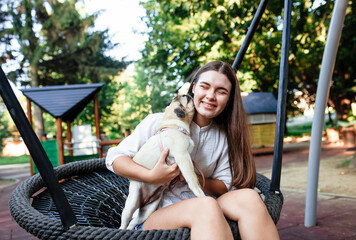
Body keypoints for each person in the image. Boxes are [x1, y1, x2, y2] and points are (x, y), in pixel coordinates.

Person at [105, 61, 279, 240]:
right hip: (155, 213)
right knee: (205, 205)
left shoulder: (224, 137)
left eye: (221, 91)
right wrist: (152, 176)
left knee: (249, 198)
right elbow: (114, 159)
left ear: (228, 100)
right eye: (205, 87)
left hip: (204, 204)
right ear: (193, 87)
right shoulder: (161, 122)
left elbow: (224, 185)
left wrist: (193, 176)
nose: (211, 96)